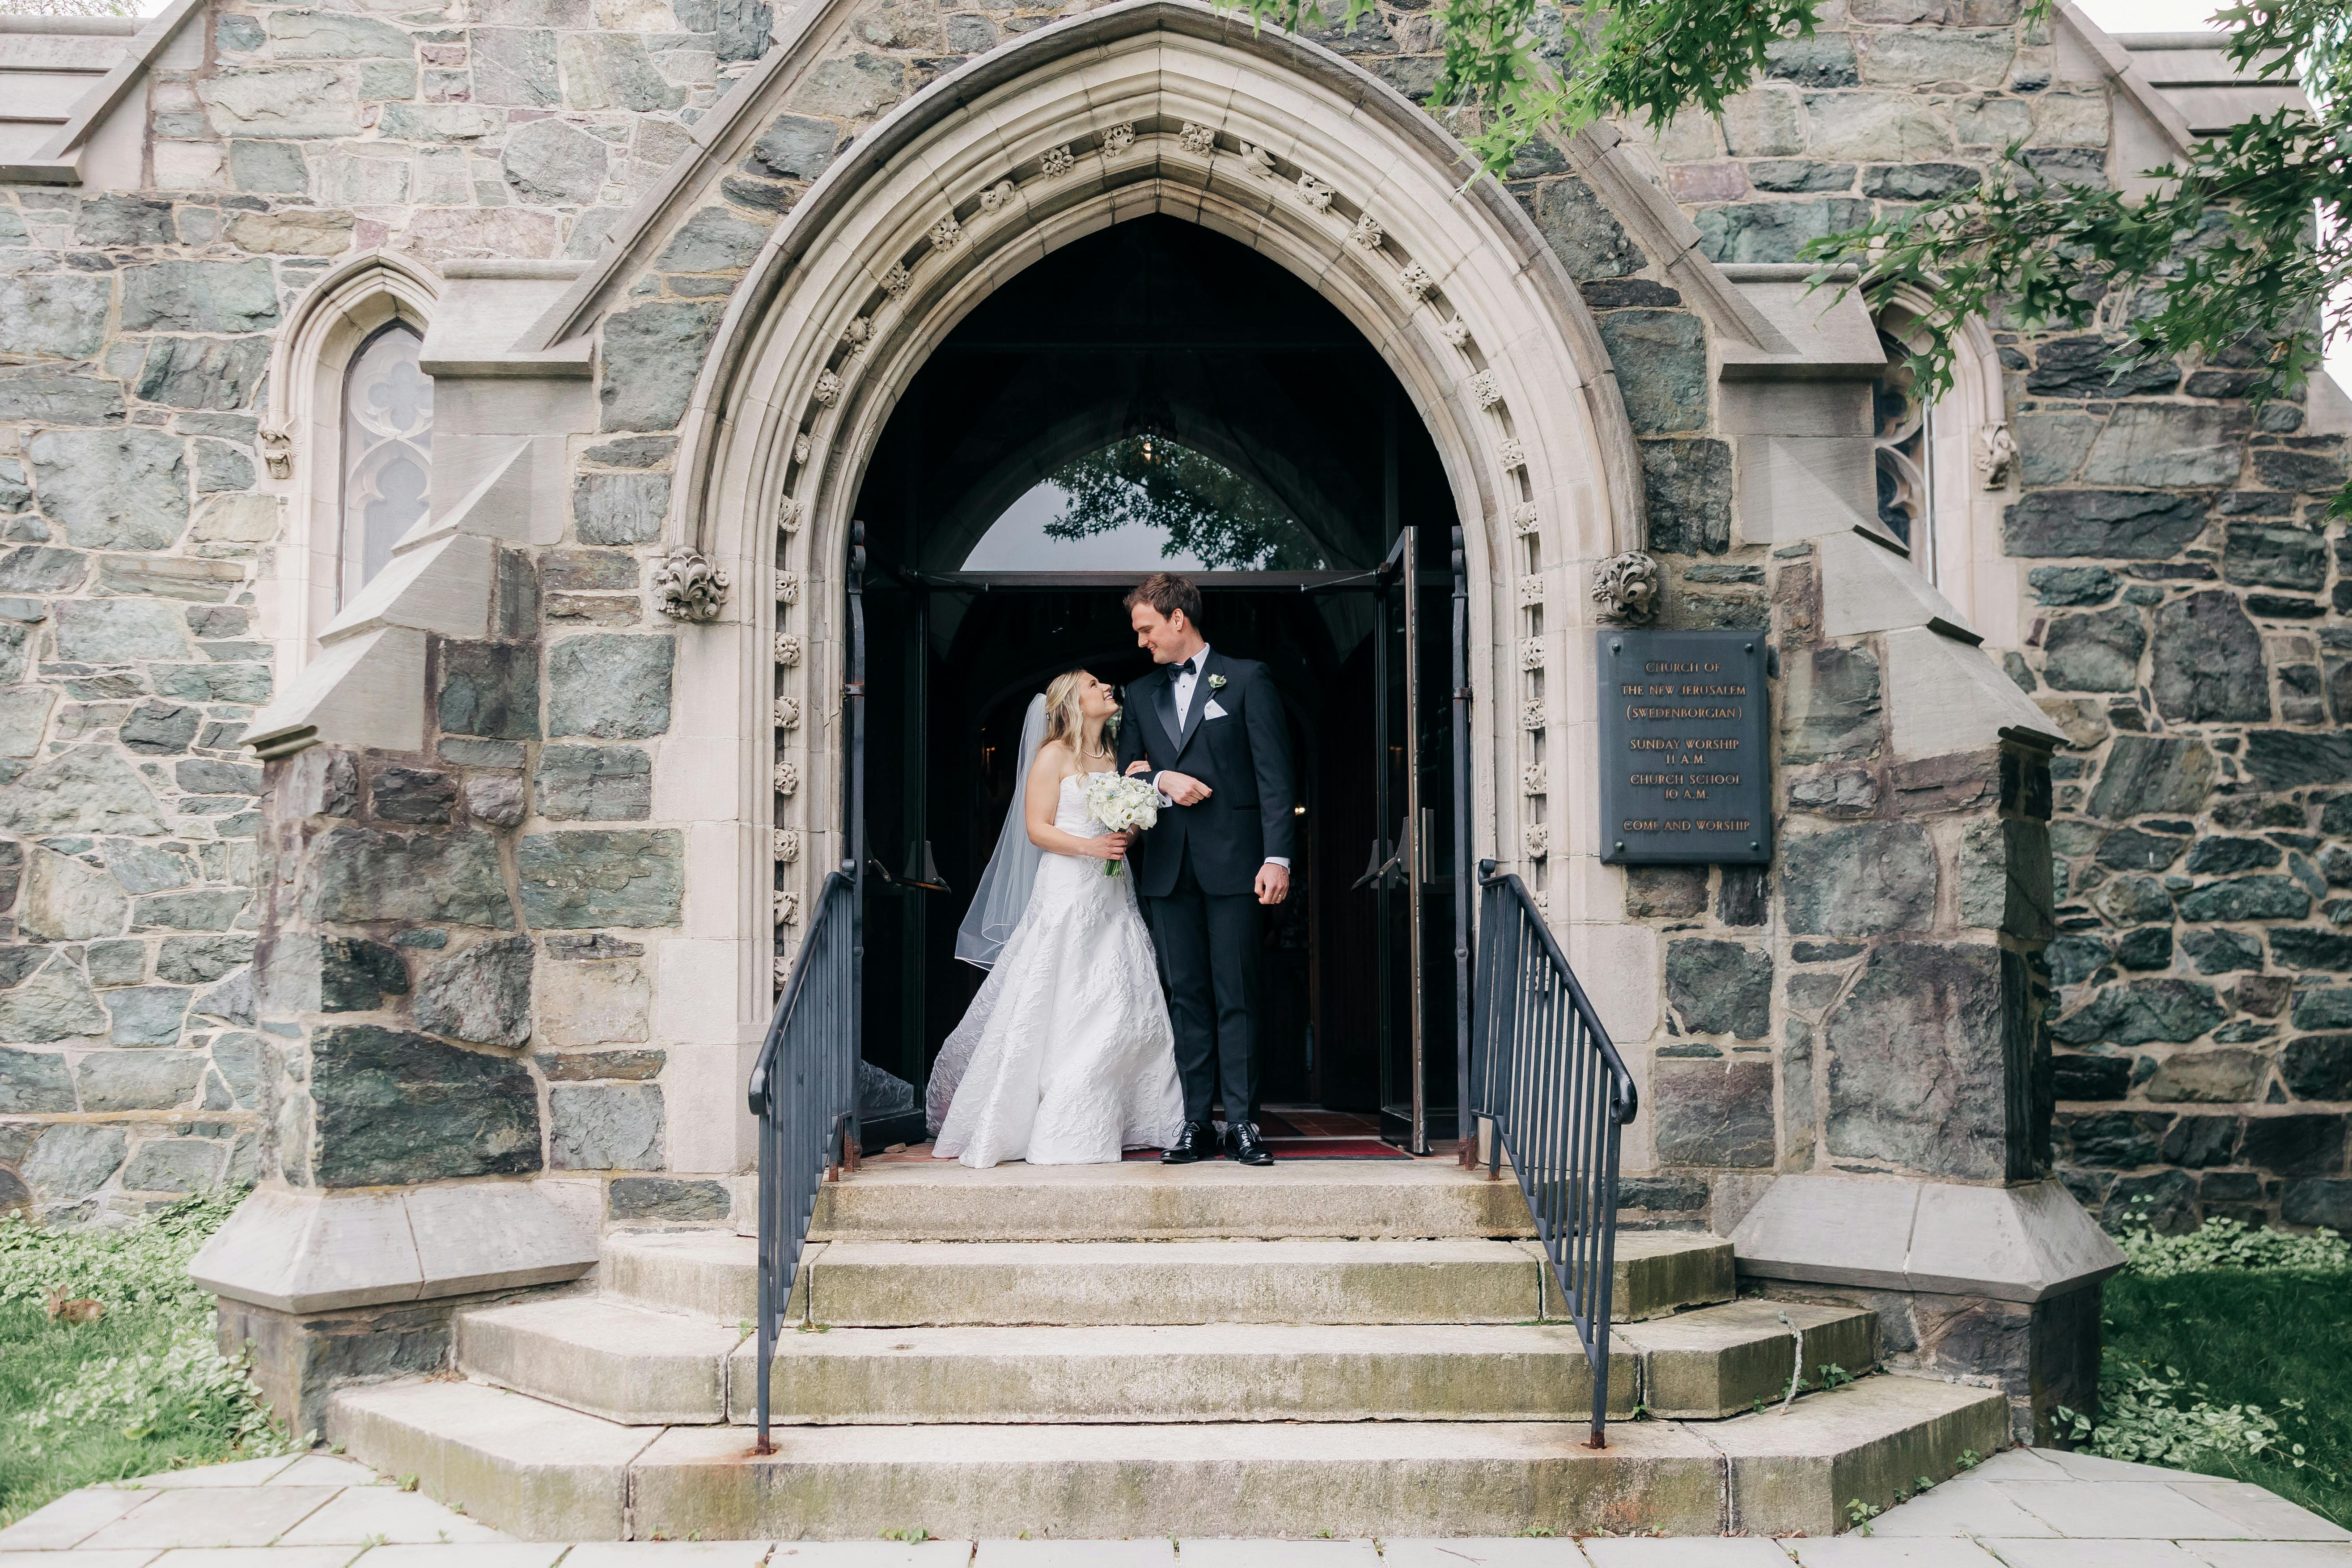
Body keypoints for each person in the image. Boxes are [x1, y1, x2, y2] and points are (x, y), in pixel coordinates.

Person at [926, 669, 1187, 1167]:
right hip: (1068, 888)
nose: (1106, 687)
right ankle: (1048, 1113)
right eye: (1093, 685)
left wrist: (1131, 820)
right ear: (1072, 702)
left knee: (1119, 993)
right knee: (1061, 991)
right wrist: (1092, 847)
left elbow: (1125, 830)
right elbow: (1037, 829)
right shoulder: (1053, 755)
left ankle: (1126, 1113)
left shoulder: (1115, 756)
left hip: (1113, 890)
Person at [1115, 572, 1297, 1167]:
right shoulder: (1139, 693)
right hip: (1168, 869)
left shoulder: (1245, 678)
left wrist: (1277, 857)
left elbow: (1274, 776)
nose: (1141, 641)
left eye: (1146, 628)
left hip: (1238, 864)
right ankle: (1195, 1122)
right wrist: (1161, 779)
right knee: (1186, 996)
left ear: (1178, 619)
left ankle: (1242, 1122)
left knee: (1237, 994)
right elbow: (1125, 775)